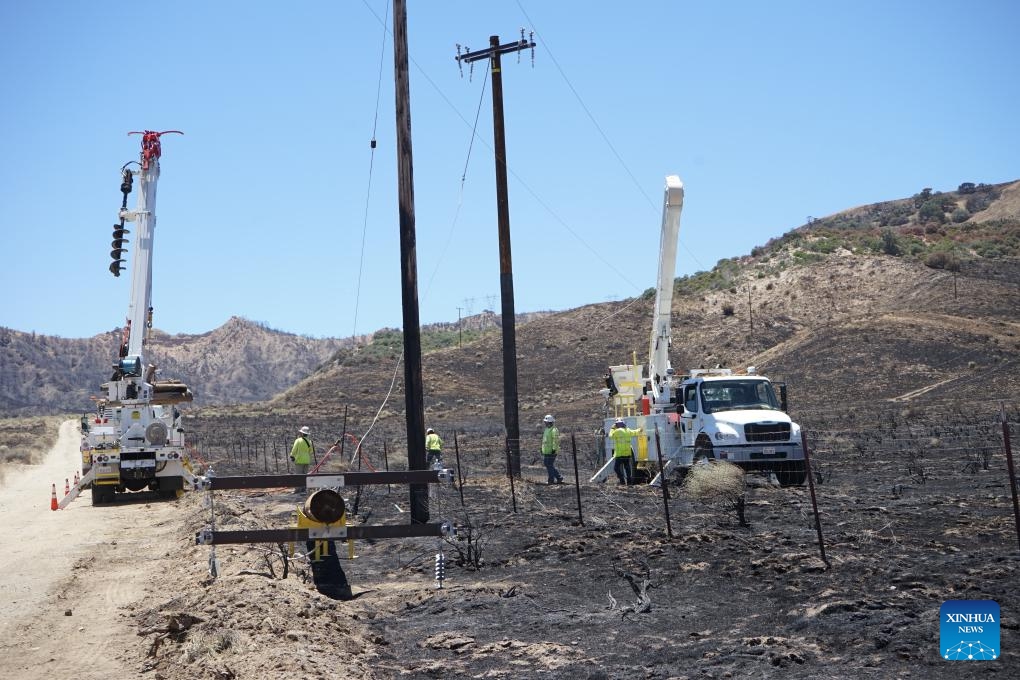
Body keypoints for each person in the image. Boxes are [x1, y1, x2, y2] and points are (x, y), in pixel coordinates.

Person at [609, 418, 642, 486]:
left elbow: (610, 436)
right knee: (627, 468)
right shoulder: (628, 430)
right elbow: (635, 432)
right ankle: (629, 483)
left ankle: (622, 481)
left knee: (616, 468)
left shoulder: (617, 431)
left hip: (620, 454)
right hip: (627, 453)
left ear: (617, 425)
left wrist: (612, 428)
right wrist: (640, 429)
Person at [290, 426, 314, 493]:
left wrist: (292, 455)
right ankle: (304, 489)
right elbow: (311, 451)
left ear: (302, 433)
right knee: (305, 475)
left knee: (298, 476)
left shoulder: (298, 440)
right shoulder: (309, 441)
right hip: (307, 460)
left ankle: (298, 489)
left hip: (299, 460)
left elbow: (294, 450)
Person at [541, 414, 563, 484]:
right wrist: (542, 449)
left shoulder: (554, 430)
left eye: (546, 422)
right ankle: (559, 477)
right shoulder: (547, 429)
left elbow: (555, 440)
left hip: (552, 451)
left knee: (549, 464)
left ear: (549, 422)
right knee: (548, 464)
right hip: (546, 451)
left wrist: (554, 449)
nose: (545, 423)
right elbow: (544, 440)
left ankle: (551, 480)